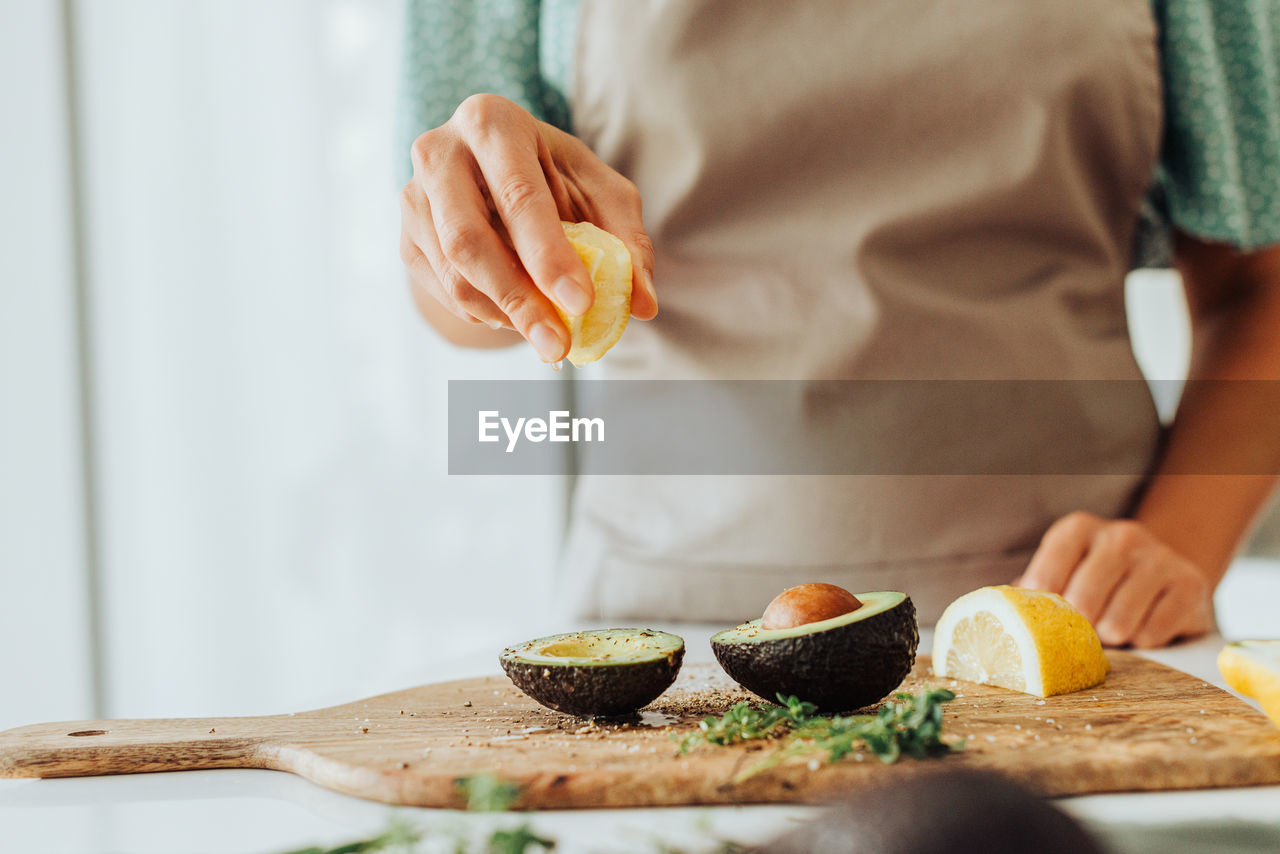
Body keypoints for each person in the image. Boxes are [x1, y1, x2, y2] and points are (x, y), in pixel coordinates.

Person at [398, 1, 1280, 646]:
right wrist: (474, 245)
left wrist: (1175, 549)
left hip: (1063, 634)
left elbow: (1260, 285)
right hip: (662, 640)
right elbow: (464, 311)